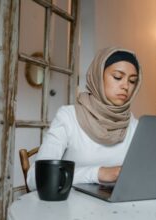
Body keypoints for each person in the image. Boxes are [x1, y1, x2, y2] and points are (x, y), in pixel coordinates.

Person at [27, 47, 142, 191]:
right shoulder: (68, 117)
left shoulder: (133, 125)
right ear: (98, 76)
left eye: (132, 81)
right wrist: (98, 173)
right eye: (118, 77)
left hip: (117, 207)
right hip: (70, 208)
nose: (125, 86)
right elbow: (35, 178)